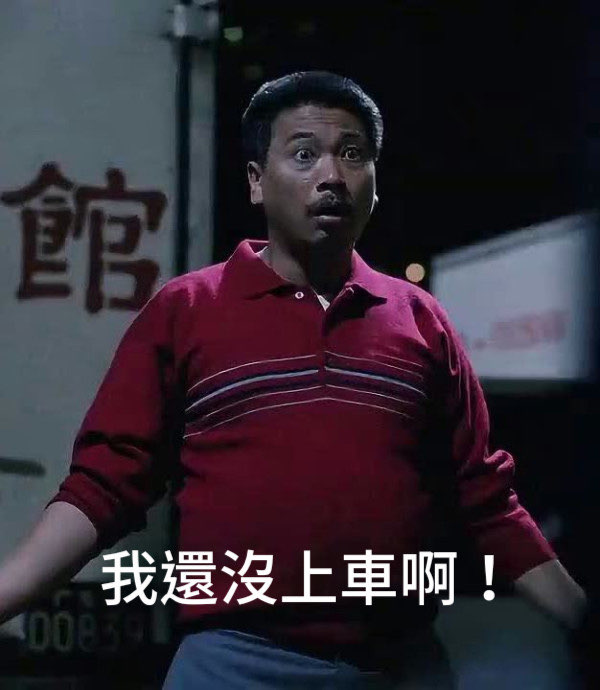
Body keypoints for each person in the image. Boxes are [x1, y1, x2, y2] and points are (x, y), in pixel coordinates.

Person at [0, 71, 588, 689]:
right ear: (257, 181)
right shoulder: (188, 310)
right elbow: (104, 484)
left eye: (352, 154)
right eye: (304, 154)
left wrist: (582, 619)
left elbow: (486, 500)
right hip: (234, 663)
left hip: (398, 664)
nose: (332, 175)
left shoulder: (420, 319)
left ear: (374, 184)